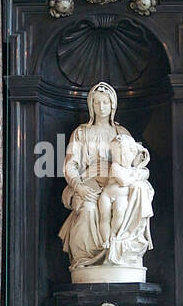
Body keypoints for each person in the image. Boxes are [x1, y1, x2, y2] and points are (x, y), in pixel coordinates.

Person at [58, 82, 154, 274]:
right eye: (97, 103)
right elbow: (70, 165)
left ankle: (119, 248)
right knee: (88, 209)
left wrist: (140, 173)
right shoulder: (81, 133)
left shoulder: (122, 133)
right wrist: (79, 186)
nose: (101, 107)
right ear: (91, 106)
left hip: (115, 183)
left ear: (113, 106)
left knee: (134, 196)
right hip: (89, 183)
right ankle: (87, 258)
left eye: (105, 103)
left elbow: (136, 162)